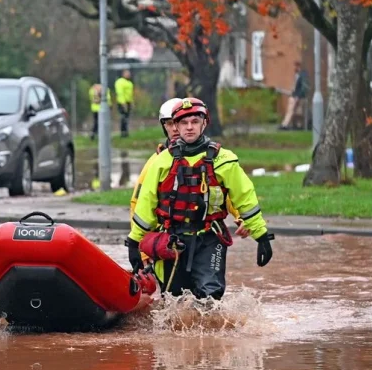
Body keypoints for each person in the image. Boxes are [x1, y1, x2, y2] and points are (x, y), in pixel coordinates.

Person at [125, 97, 274, 301]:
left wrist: (261, 236)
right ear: (176, 126)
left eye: (195, 122)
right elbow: (144, 205)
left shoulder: (224, 160)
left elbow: (244, 198)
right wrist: (134, 243)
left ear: (204, 123)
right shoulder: (160, 163)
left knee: (210, 296)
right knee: (174, 299)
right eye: (183, 123)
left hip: (210, 238)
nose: (189, 127)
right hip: (172, 240)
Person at [130, 98, 250, 239]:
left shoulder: (212, 158)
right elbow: (138, 203)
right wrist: (140, 242)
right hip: (165, 237)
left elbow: (226, 193)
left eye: (189, 122)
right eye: (170, 124)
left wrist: (242, 216)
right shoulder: (156, 162)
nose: (175, 129)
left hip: (205, 236)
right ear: (164, 127)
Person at [279, 61, 308, 130]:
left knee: (297, 112)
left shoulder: (303, 75)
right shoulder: (297, 75)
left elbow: (303, 87)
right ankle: (286, 124)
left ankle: (291, 125)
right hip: (295, 96)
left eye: (295, 66)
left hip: (298, 96)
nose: (294, 68)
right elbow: (295, 86)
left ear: (298, 67)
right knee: (292, 110)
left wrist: (298, 96)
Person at [114, 69, 134, 137]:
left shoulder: (129, 83)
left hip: (128, 102)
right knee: (123, 117)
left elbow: (130, 94)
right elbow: (120, 93)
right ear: (123, 74)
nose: (128, 75)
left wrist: (131, 102)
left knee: (127, 117)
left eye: (129, 73)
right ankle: (123, 132)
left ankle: (126, 132)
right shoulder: (120, 82)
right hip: (122, 102)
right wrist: (123, 103)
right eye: (127, 73)